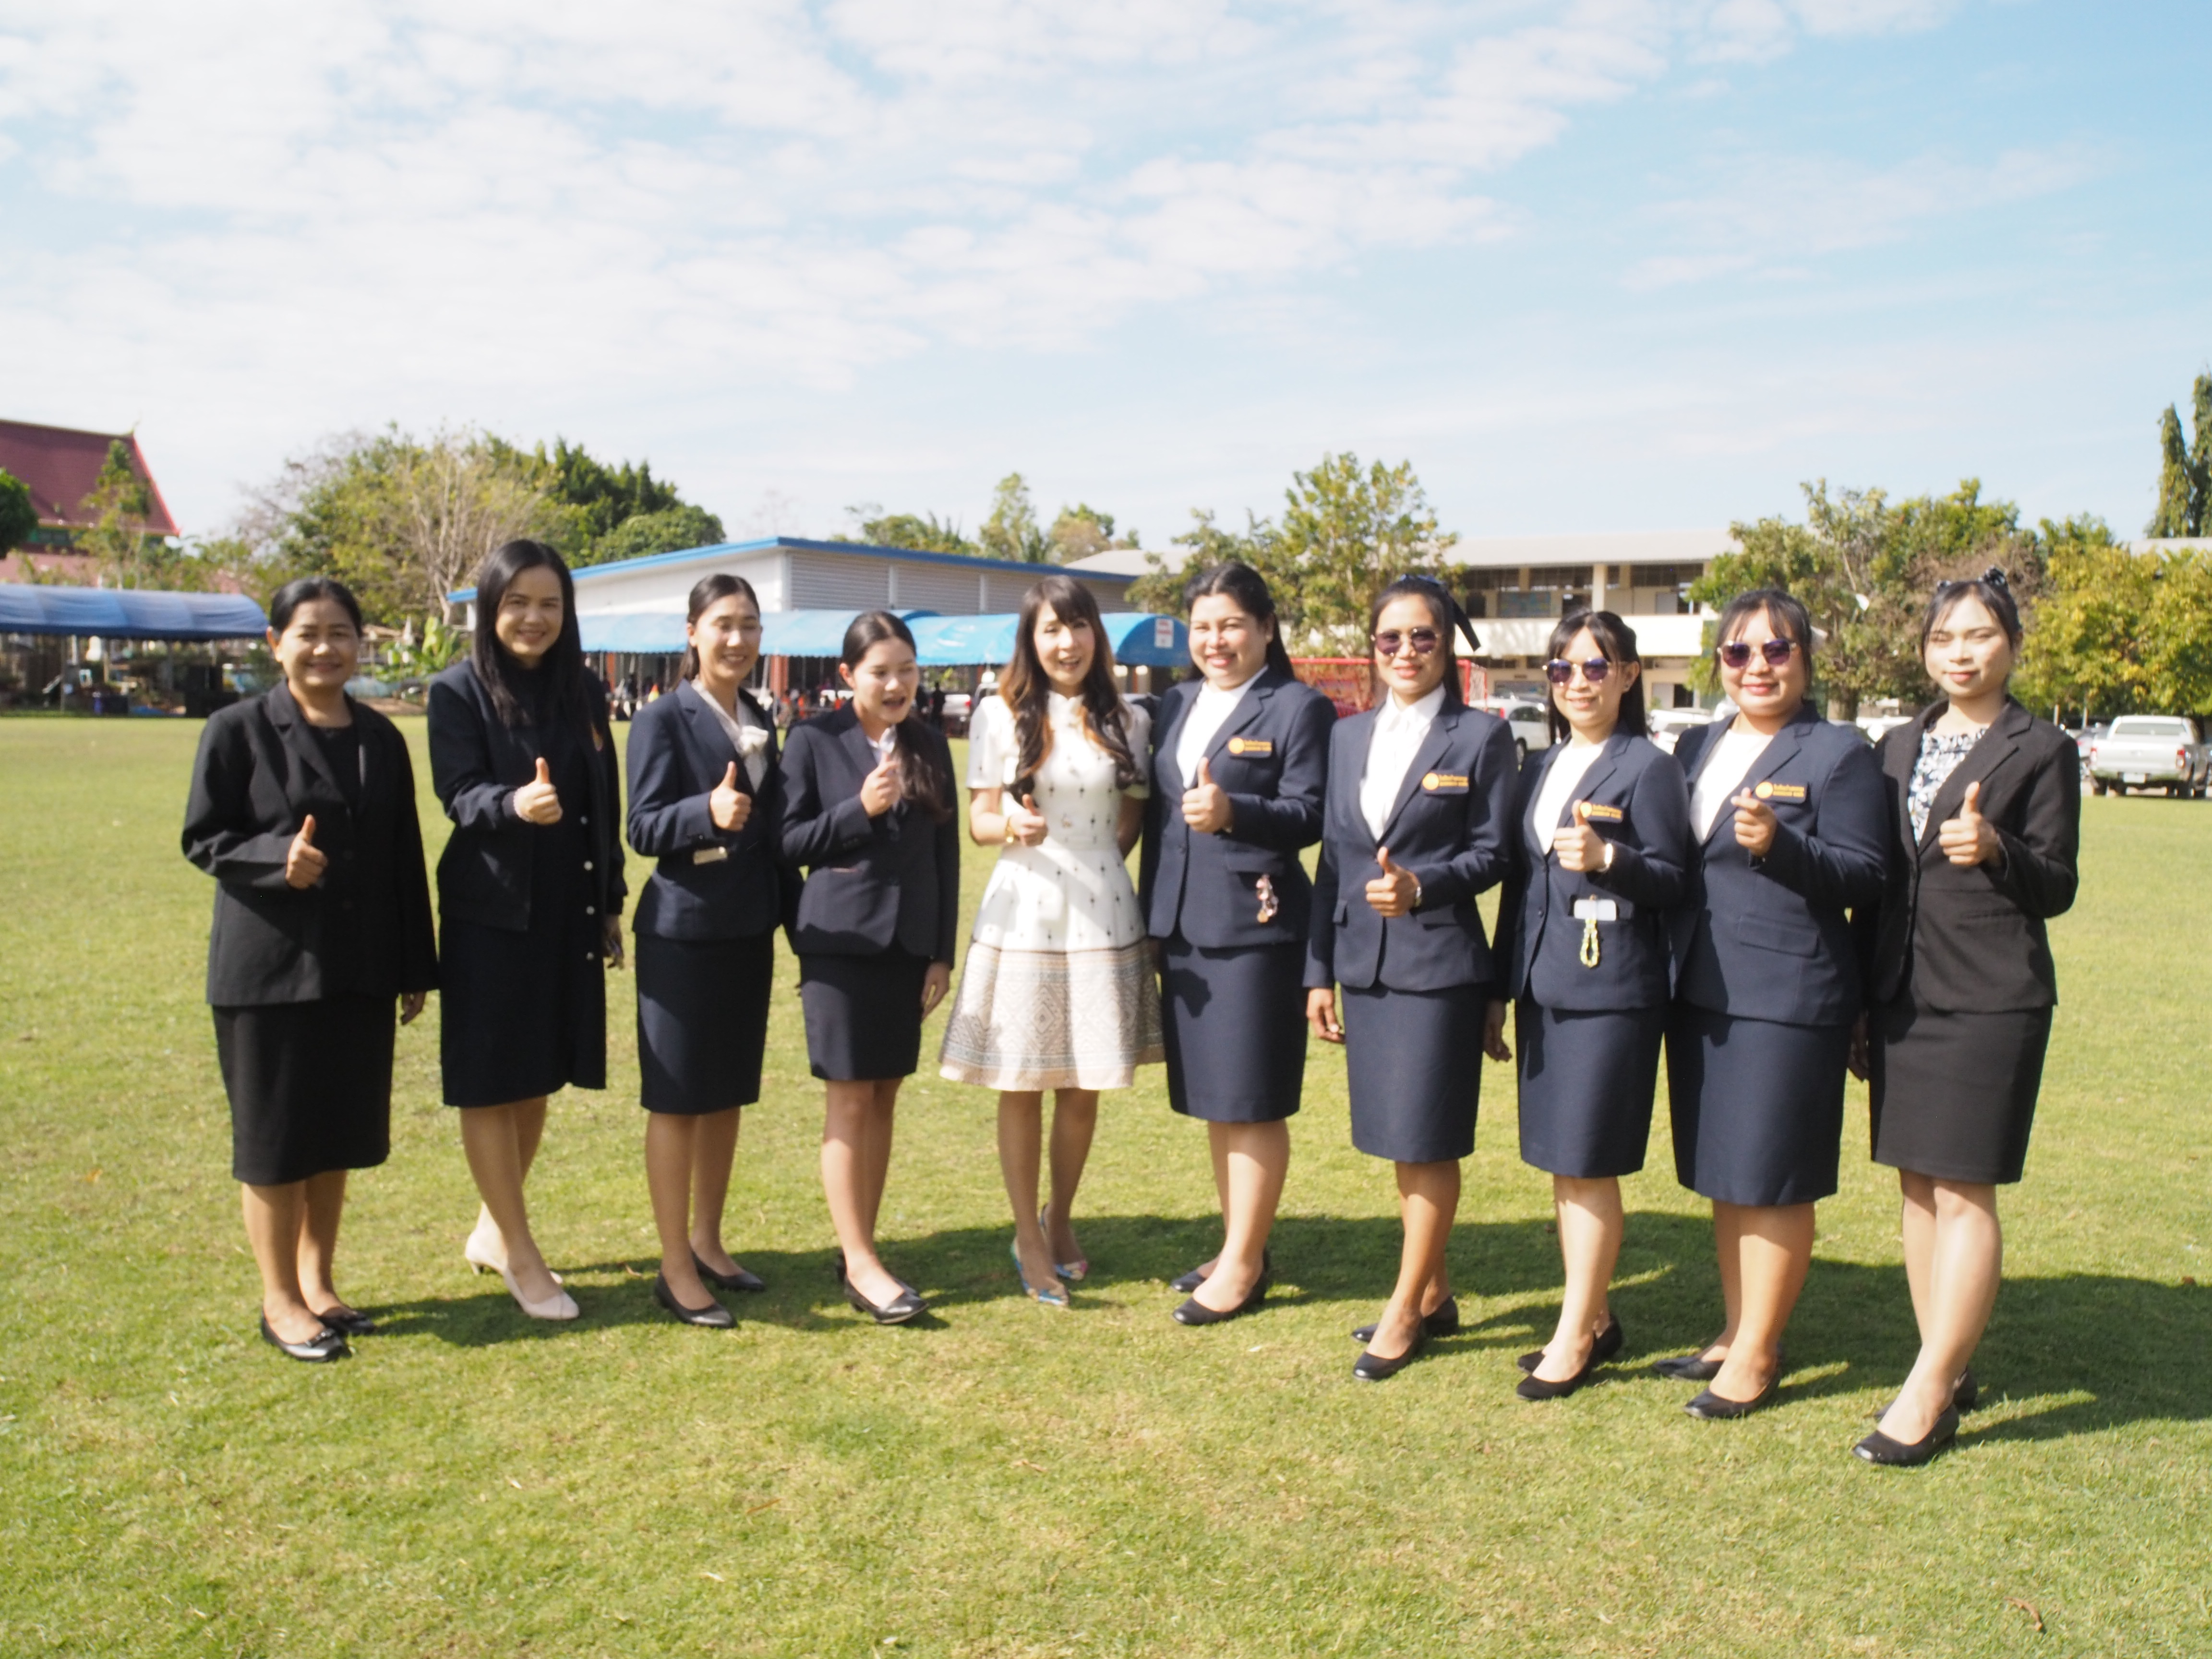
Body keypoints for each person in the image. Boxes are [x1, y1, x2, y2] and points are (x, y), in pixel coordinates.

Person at [1851, 570, 2079, 1465]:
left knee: (1964, 1189)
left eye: (1980, 635)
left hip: (1990, 996)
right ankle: (1943, 1362)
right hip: (1903, 995)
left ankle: (1928, 1392)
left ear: (2011, 646)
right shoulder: (1895, 745)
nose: (1961, 653)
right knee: (1917, 1183)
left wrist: (1995, 849)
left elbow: (2057, 883)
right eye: (1944, 638)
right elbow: (1879, 881)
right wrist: (1863, 998)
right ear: (1924, 651)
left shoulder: (2043, 747)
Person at [182, 577, 437, 1362]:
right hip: (269, 972)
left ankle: (318, 1283)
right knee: (276, 1141)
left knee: (336, 1134)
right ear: (276, 644)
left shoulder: (381, 738)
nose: (325, 648)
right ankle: (280, 1301)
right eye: (307, 633)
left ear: (360, 644)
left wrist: (414, 966)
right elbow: (204, 837)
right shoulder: (237, 730)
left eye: (340, 633)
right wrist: (275, 860)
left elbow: (403, 855)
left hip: (359, 968)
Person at [1661, 589, 1887, 1416]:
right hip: (1700, 990)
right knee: (1728, 1173)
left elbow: (1867, 874)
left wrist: (1783, 848)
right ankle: (1736, 1329)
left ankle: (1758, 1352)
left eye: (1776, 649)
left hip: (1787, 997)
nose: (1757, 666)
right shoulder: (1697, 745)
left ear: (1804, 658)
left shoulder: (1839, 753)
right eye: (1739, 651)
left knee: (1776, 1178)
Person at [1305, 577, 1515, 1379]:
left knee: (1428, 1140)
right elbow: (1334, 861)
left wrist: (1425, 886)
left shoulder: (1482, 737)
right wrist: (1319, 971)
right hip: (1364, 966)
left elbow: (1496, 853)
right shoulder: (1347, 737)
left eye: (1422, 636)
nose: (1405, 651)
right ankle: (1435, 1291)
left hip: (1439, 968)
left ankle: (1404, 1309)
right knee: (1401, 1137)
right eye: (1390, 638)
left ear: (1446, 645)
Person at [940, 574, 1162, 1307]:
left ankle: (1059, 1218)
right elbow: (979, 821)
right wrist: (1013, 824)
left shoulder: (1130, 718)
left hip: (1102, 913)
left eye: (1078, 626)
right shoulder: (999, 714)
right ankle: (1026, 1238)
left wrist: (1098, 868)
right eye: (1051, 630)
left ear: (1097, 634)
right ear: (1030, 640)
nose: (1067, 643)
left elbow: (1131, 818)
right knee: (1021, 1080)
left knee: (1083, 1083)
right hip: (1023, 910)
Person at [1489, 611, 1693, 1399]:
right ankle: (1597, 1317)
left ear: (1630, 675)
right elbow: (1522, 887)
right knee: (1562, 1164)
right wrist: (1500, 991)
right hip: (1543, 987)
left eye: (1596, 667)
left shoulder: (1650, 769)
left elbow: (1676, 882)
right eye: (1562, 669)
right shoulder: (1541, 765)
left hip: (1611, 992)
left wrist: (1613, 858)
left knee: (1589, 1162)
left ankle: (1574, 1336)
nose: (1578, 683)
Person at [427, 539, 625, 1324]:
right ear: (490, 608)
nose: (534, 618)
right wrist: (512, 805)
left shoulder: (584, 690)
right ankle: (519, 1250)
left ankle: (491, 1229)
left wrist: (609, 899)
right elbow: (457, 792)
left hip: (566, 909)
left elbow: (603, 798)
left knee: (539, 1074)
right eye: (518, 603)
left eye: (549, 604)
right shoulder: (457, 691)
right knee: (491, 1080)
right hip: (492, 913)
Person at [1139, 562, 1334, 1325]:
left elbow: (1311, 814)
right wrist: (1153, 922)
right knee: (1218, 1101)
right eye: (1203, 627)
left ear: (1266, 628)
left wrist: (1236, 812)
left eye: (1231, 625)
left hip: (1257, 929)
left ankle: (1246, 1265)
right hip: (1183, 927)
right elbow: (1158, 820)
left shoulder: (1298, 706)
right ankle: (1235, 1246)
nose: (1215, 641)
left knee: (1252, 1101)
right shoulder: (1176, 702)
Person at [780, 611, 960, 1325]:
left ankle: (863, 1247)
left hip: (907, 947)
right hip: (839, 946)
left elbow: (944, 855)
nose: (896, 685)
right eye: (880, 672)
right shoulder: (812, 740)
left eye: (906, 671)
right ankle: (859, 1263)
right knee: (850, 1099)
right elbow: (788, 842)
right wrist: (857, 810)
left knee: (884, 1096)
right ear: (848, 676)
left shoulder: (929, 743)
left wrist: (941, 952)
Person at [625, 574, 787, 1329]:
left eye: (749, 625)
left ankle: (709, 1242)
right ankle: (674, 1266)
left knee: (726, 1094)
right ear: (691, 631)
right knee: (678, 1100)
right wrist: (706, 812)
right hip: (681, 935)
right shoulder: (661, 718)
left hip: (747, 929)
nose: (737, 639)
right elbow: (642, 826)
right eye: (723, 623)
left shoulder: (761, 715)